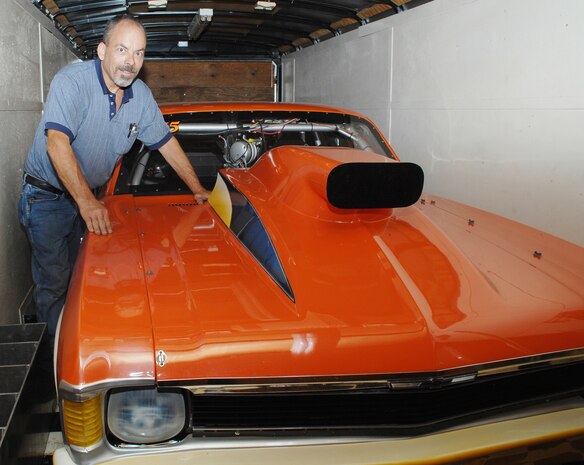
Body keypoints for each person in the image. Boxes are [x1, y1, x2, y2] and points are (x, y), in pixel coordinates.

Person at [18, 14, 210, 351]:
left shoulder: (141, 97)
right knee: (55, 283)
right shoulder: (72, 82)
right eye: (122, 50)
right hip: (46, 198)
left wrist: (197, 189)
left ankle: (83, 344)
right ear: (102, 50)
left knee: (84, 280)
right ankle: (58, 362)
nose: (131, 62)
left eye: (139, 53)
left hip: (84, 198)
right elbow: (56, 144)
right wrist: (87, 202)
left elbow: (166, 143)